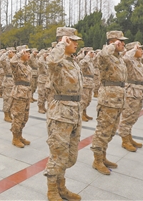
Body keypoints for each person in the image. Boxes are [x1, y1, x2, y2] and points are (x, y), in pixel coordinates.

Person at [44, 27, 83, 201]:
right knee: (58, 155)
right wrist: (60, 45)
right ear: (63, 41)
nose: (76, 43)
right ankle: (52, 190)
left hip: (74, 112)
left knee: (69, 156)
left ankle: (61, 186)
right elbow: (51, 61)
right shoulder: (56, 61)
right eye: (72, 40)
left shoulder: (72, 61)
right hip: (60, 114)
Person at [91, 31, 128, 175]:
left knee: (111, 131)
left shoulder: (118, 58)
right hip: (108, 100)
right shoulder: (105, 56)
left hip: (118, 99)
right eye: (121, 41)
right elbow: (102, 55)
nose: (123, 44)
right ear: (113, 41)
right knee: (103, 130)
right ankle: (97, 160)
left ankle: (103, 156)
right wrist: (112, 45)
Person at [118, 42, 143, 151]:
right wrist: (132, 50)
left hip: (139, 92)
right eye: (139, 49)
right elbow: (123, 58)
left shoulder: (138, 62)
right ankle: (124, 140)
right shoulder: (128, 61)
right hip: (131, 93)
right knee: (127, 117)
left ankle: (129, 136)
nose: (142, 51)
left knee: (133, 117)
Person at [9, 45, 32, 148]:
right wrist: (18, 53)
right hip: (19, 94)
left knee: (24, 117)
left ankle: (20, 135)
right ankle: (15, 138)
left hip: (26, 93)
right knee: (18, 117)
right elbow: (12, 62)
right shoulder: (17, 65)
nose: (28, 54)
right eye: (26, 52)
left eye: (28, 52)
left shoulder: (27, 66)